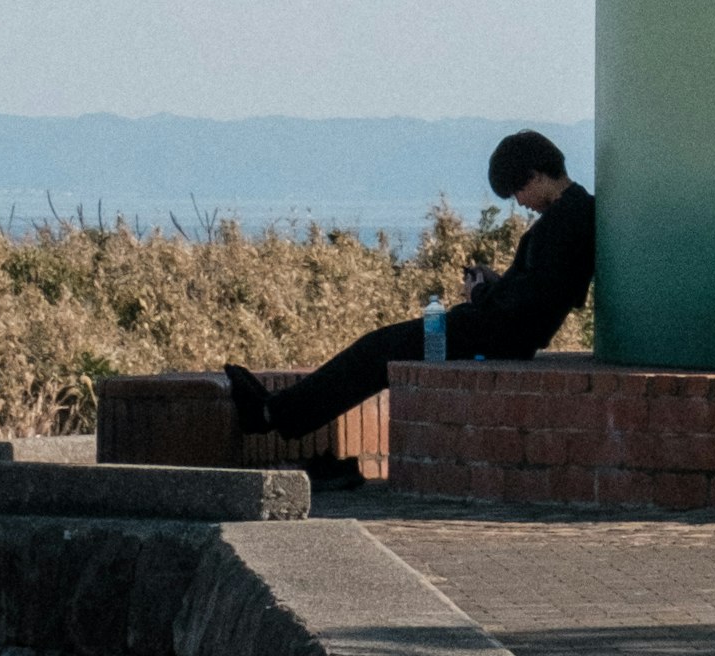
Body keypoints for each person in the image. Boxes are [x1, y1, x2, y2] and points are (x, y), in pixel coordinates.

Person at [230, 133, 595, 451]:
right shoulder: (572, 214)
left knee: (377, 350)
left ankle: (269, 414)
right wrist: (492, 284)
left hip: (491, 335)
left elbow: (531, 303)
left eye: (518, 191)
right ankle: (275, 410)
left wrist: (481, 295)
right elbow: (534, 289)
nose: (519, 202)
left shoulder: (562, 224)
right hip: (493, 329)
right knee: (378, 348)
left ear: (535, 175)